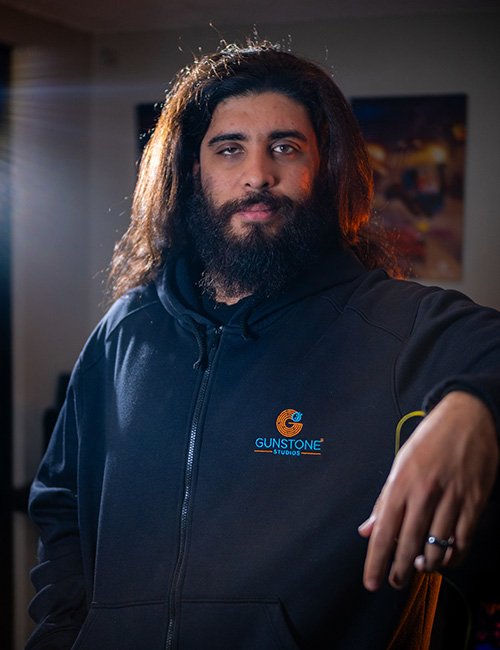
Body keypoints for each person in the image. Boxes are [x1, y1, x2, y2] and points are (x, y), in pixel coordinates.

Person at [26, 41, 499, 650]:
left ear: (325, 169)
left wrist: (472, 409)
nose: (257, 176)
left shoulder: (397, 324)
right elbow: (62, 505)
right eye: (229, 148)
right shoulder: (125, 331)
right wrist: (63, 632)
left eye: (284, 147)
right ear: (191, 172)